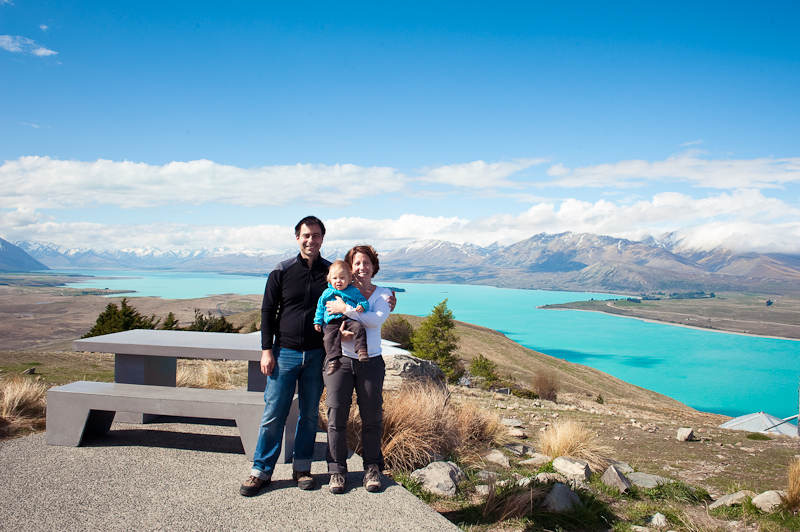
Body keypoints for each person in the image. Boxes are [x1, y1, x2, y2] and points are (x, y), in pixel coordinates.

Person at [239, 216, 330, 496]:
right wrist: (267, 350)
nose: (311, 240)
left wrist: (387, 298)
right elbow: (268, 311)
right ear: (297, 237)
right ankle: (261, 470)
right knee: (273, 413)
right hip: (285, 353)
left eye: (316, 235)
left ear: (322, 239)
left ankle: (302, 468)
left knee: (310, 414)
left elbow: (354, 296)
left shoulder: (330, 272)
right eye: (306, 235)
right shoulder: (282, 270)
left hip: (317, 354)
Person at [323, 245, 392, 495]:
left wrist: (346, 310)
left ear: (374, 266)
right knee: (336, 417)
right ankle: (337, 471)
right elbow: (326, 318)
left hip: (370, 362)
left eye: (366, 263)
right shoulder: (338, 291)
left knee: (372, 418)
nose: (362, 268)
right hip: (340, 361)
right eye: (356, 263)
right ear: (350, 269)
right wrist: (337, 330)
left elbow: (375, 319)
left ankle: (372, 468)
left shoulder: (384, 294)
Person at [313, 260, 370, 376]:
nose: (338, 281)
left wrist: (362, 306)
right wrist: (317, 321)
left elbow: (362, 300)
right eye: (335, 278)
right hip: (332, 322)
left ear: (349, 279)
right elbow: (320, 308)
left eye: (342, 278)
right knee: (328, 338)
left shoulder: (353, 291)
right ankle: (333, 360)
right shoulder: (326, 293)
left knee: (358, 327)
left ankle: (361, 350)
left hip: (349, 319)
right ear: (330, 280)